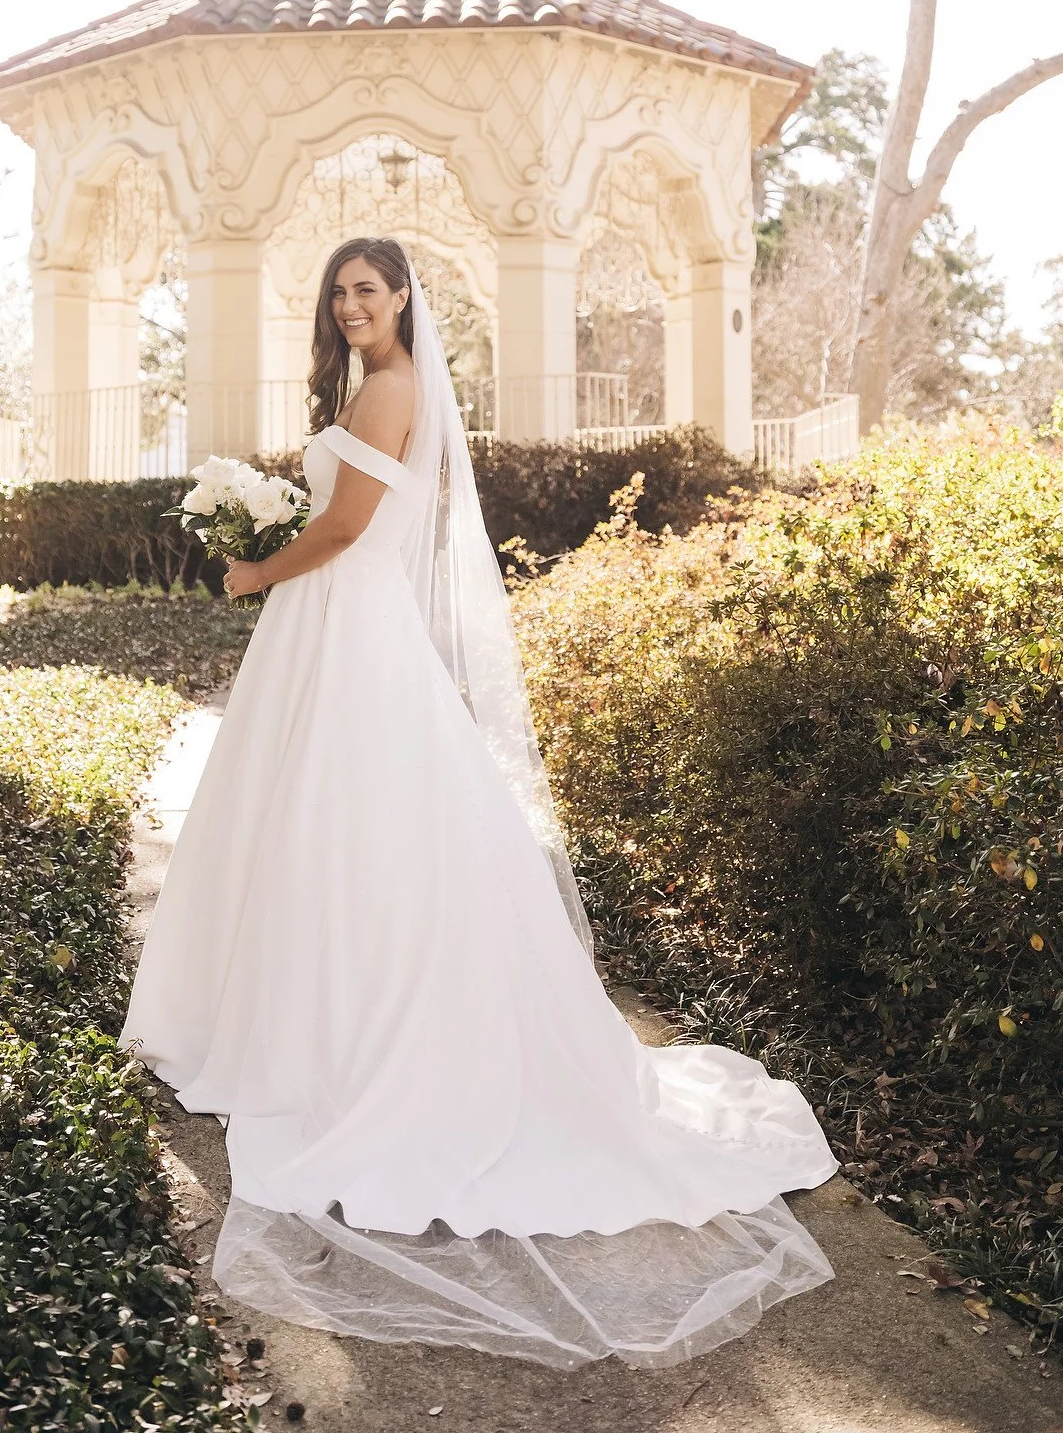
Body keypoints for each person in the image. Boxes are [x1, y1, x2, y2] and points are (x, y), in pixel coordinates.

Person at [120, 236, 836, 1368]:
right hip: (336, 631)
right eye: (341, 290)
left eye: (370, 288)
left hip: (346, 632)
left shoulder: (397, 386)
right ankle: (299, 1017)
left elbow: (352, 529)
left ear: (404, 295)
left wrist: (256, 568)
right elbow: (361, 521)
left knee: (344, 833)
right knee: (317, 834)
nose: (353, 303)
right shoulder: (376, 387)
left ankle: (344, 1042)